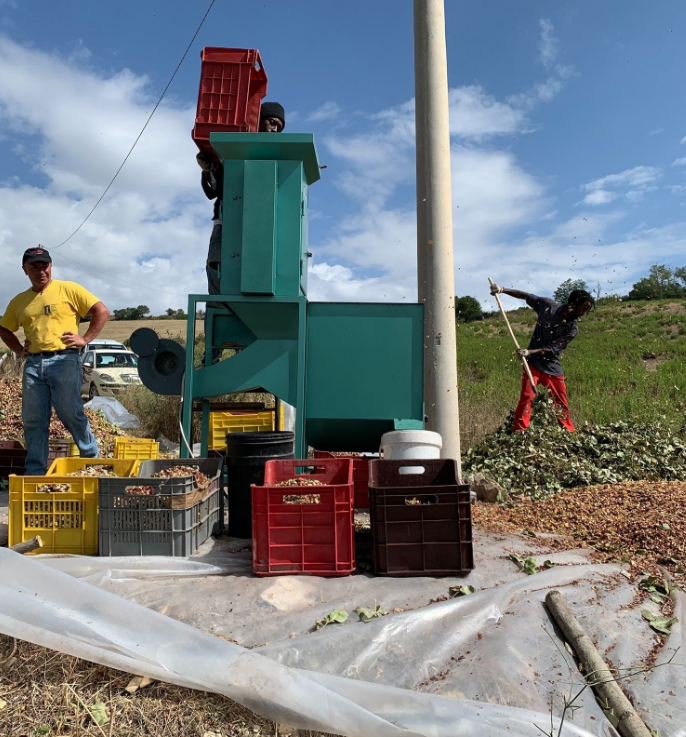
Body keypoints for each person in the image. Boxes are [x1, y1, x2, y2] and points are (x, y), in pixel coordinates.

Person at [0, 247, 110, 475]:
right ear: (24, 270)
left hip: (65, 360)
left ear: (50, 266)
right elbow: (4, 328)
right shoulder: (19, 301)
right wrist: (20, 350)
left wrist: (85, 338)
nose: (41, 271)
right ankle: (35, 473)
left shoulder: (68, 289)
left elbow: (101, 311)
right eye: (34, 267)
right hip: (33, 366)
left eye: (45, 265)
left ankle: (92, 461)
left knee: (70, 413)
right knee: (34, 420)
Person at [196, 102, 286, 363]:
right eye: (271, 122)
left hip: (260, 232)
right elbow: (213, 190)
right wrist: (207, 169)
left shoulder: (275, 156)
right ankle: (212, 358)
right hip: (226, 228)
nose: (274, 128)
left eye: (279, 126)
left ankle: (250, 357)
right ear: (257, 121)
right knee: (218, 285)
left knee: (256, 290)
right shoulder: (232, 151)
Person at [489, 283, 595, 432]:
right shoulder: (548, 307)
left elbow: (552, 349)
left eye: (586, 311)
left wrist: (529, 352)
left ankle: (568, 431)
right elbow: (525, 296)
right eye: (583, 309)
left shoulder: (572, 329)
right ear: (573, 304)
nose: (583, 313)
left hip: (552, 366)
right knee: (527, 397)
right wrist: (502, 290)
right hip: (533, 364)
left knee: (560, 402)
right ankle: (520, 432)